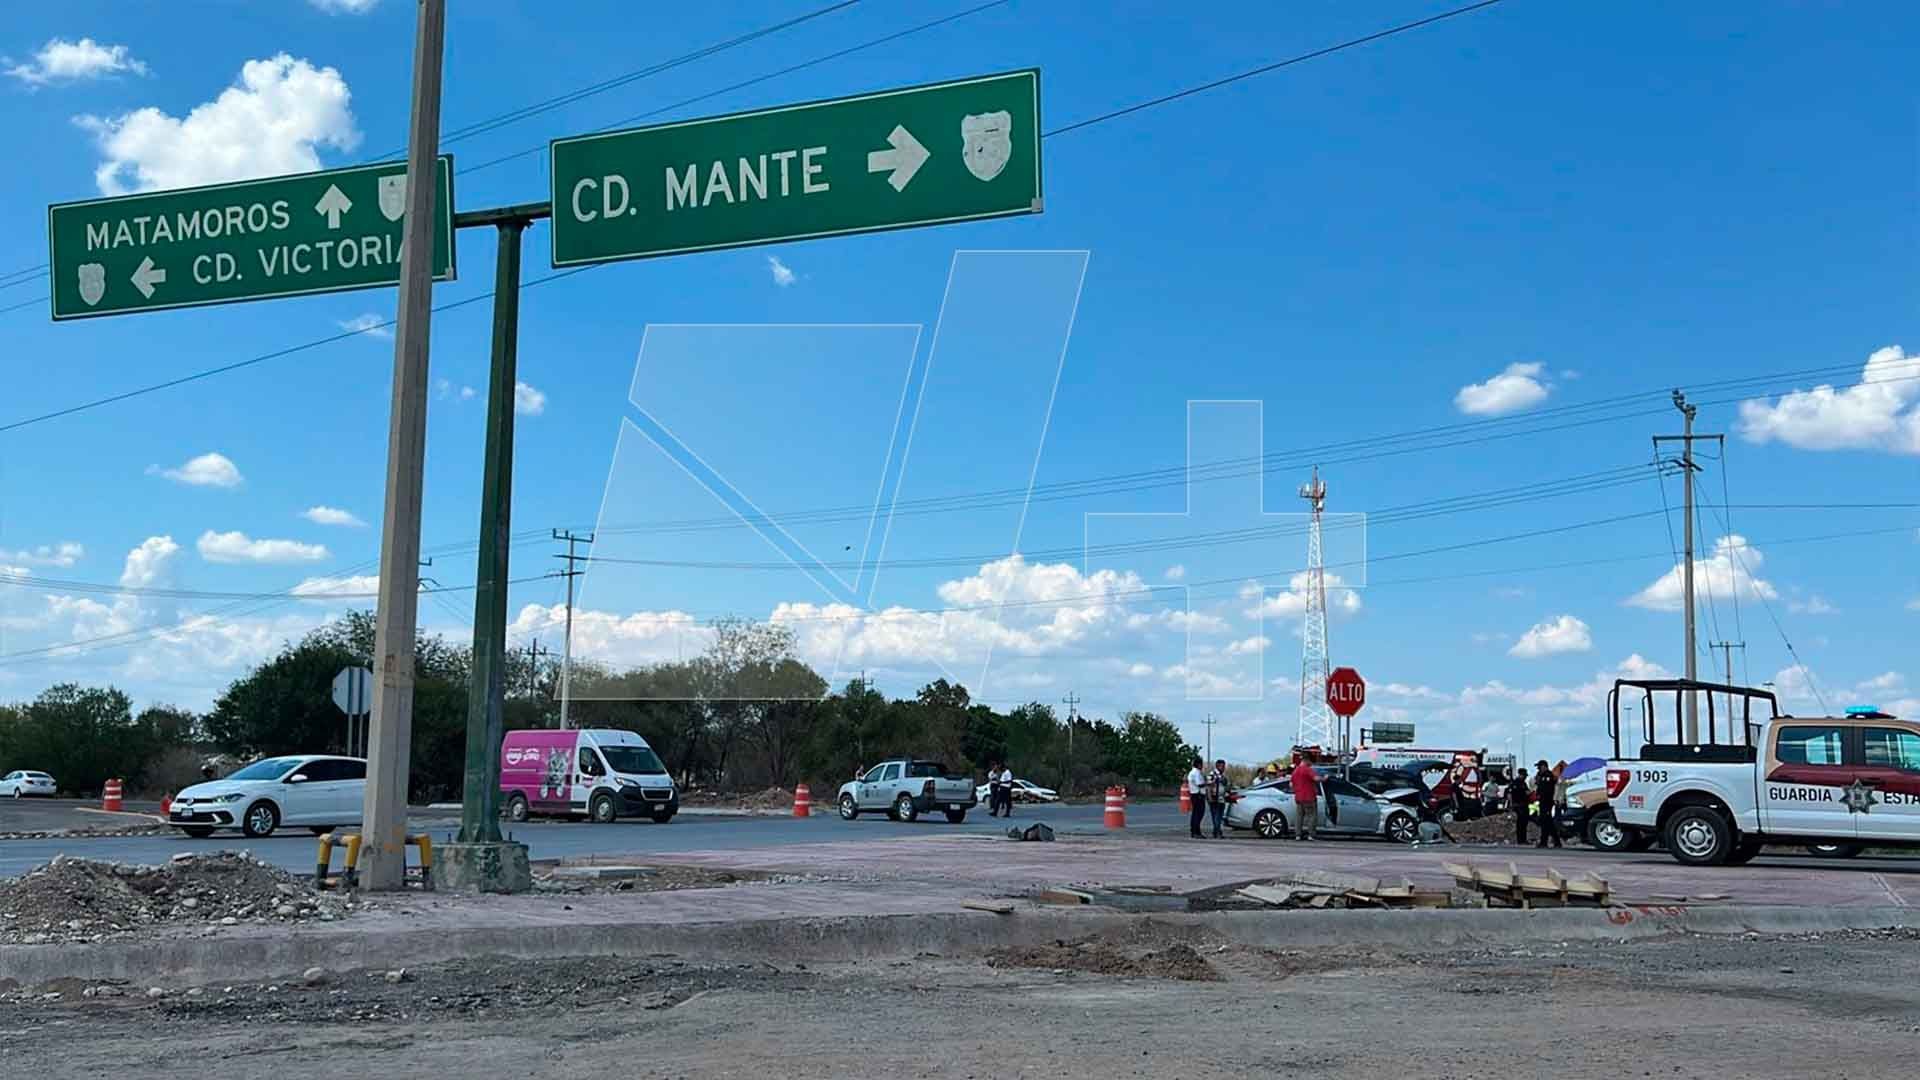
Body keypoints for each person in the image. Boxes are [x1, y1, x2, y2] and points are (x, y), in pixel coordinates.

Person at [1289, 752, 1319, 842]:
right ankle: (1311, 835)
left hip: (1298, 797)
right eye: (1311, 762)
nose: (1311, 764)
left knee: (1299, 817)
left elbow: (1291, 784)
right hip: (1309, 797)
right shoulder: (1307, 769)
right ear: (1307, 760)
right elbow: (1316, 778)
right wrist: (1324, 778)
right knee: (1311, 816)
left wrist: (1297, 788)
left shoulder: (1295, 771)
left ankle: (1298, 835)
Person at [1534, 760, 1562, 849]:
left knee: (1545, 822)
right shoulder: (1541, 776)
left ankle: (1544, 842)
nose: (1538, 769)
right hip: (1543, 801)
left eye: (1539, 767)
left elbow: (1546, 789)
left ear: (1544, 766)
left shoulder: (1548, 776)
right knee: (1548, 822)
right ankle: (1556, 841)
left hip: (1547, 801)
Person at [1206, 758, 1232, 839]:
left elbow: (1225, 787)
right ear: (1217, 766)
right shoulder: (1212, 774)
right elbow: (1208, 786)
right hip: (1214, 798)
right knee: (1216, 816)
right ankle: (1217, 832)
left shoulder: (1223, 776)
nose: (1224, 768)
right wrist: (1210, 797)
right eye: (1222, 766)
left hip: (1222, 798)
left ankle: (1216, 831)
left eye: (1224, 766)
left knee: (1219, 817)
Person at [1506, 767, 1531, 845]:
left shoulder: (1523, 783)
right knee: (1520, 823)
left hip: (1524, 804)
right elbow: (1509, 794)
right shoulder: (1515, 782)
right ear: (1521, 775)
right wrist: (1511, 804)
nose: (1525, 777)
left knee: (1524, 823)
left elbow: (1527, 792)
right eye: (1524, 775)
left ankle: (1523, 839)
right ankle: (1520, 840)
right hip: (1518, 805)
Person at [1186, 756, 1208, 839]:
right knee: (1198, 814)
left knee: (1196, 814)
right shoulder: (1196, 772)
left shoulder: (1193, 772)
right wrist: (1208, 783)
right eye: (1201, 764)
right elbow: (1200, 784)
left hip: (1195, 795)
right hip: (1197, 795)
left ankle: (1195, 831)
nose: (1202, 766)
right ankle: (1196, 832)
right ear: (1199, 764)